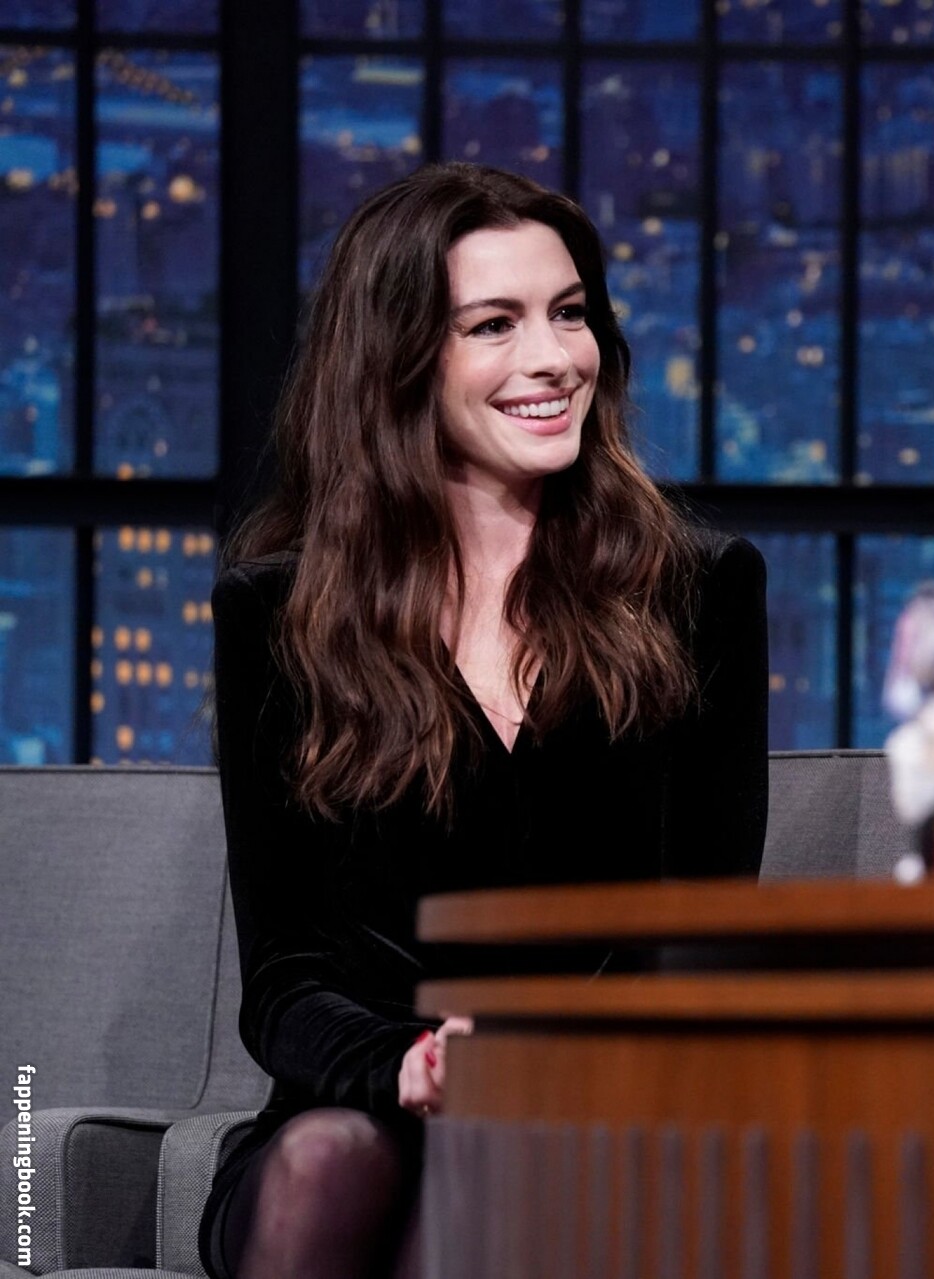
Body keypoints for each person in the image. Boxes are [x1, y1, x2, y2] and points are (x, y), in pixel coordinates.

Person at [199, 163, 768, 1279]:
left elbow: (698, 939)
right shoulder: (278, 612)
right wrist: (412, 1064)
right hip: (357, 1108)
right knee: (325, 1161)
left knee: (492, 1177)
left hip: (585, 1118)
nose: (554, 358)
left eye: (571, 313)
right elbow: (284, 979)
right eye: (494, 325)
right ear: (399, 359)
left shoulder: (698, 592)